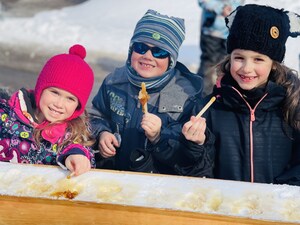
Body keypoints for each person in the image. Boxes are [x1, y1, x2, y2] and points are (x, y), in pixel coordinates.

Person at [184, 4, 300, 186]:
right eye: (239, 57)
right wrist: (195, 146)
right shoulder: (209, 109)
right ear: (229, 57)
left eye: (258, 59)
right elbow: (198, 177)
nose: (247, 68)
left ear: (274, 63)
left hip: (275, 209)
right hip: (227, 209)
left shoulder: (292, 107)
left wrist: (279, 194)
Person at [89, 9, 215, 177]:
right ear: (130, 50)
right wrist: (102, 133)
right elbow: (95, 115)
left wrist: (158, 136)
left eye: (159, 52)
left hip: (158, 185)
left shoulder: (185, 94)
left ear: (171, 59)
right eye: (140, 47)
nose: (148, 56)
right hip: (114, 179)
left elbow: (186, 156)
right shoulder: (114, 82)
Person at [0, 44, 95, 176]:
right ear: (40, 89)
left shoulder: (73, 133)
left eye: (70, 99)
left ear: (78, 106)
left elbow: (82, 149)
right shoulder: (8, 115)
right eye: (55, 92)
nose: (59, 104)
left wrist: (77, 157)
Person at [197, 0, 244, 96]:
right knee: (209, 63)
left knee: (228, 64)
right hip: (211, 32)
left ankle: (225, 93)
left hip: (230, 32)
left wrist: (232, 9)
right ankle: (204, 94)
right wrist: (221, 8)